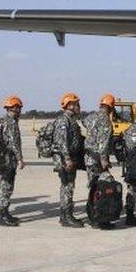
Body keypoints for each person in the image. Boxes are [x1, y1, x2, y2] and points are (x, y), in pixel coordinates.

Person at [52, 93, 85, 227]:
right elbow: (62, 142)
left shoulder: (71, 120)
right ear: (70, 105)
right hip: (66, 159)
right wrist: (67, 159)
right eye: (77, 104)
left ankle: (65, 215)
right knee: (67, 187)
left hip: (71, 158)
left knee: (69, 186)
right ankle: (66, 216)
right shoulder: (63, 121)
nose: (79, 107)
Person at [83, 93, 115, 224]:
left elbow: (84, 121)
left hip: (88, 157)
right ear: (111, 107)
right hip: (97, 159)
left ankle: (92, 214)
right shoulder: (106, 121)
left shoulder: (92, 116)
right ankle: (98, 215)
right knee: (102, 187)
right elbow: (104, 142)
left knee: (93, 186)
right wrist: (104, 159)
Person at [0, 95, 25, 227]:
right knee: (7, 185)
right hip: (8, 158)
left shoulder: (2, 121)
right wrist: (20, 159)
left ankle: (4, 212)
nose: (19, 111)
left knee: (4, 184)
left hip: (2, 157)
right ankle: (2, 215)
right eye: (17, 108)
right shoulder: (11, 122)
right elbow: (13, 143)